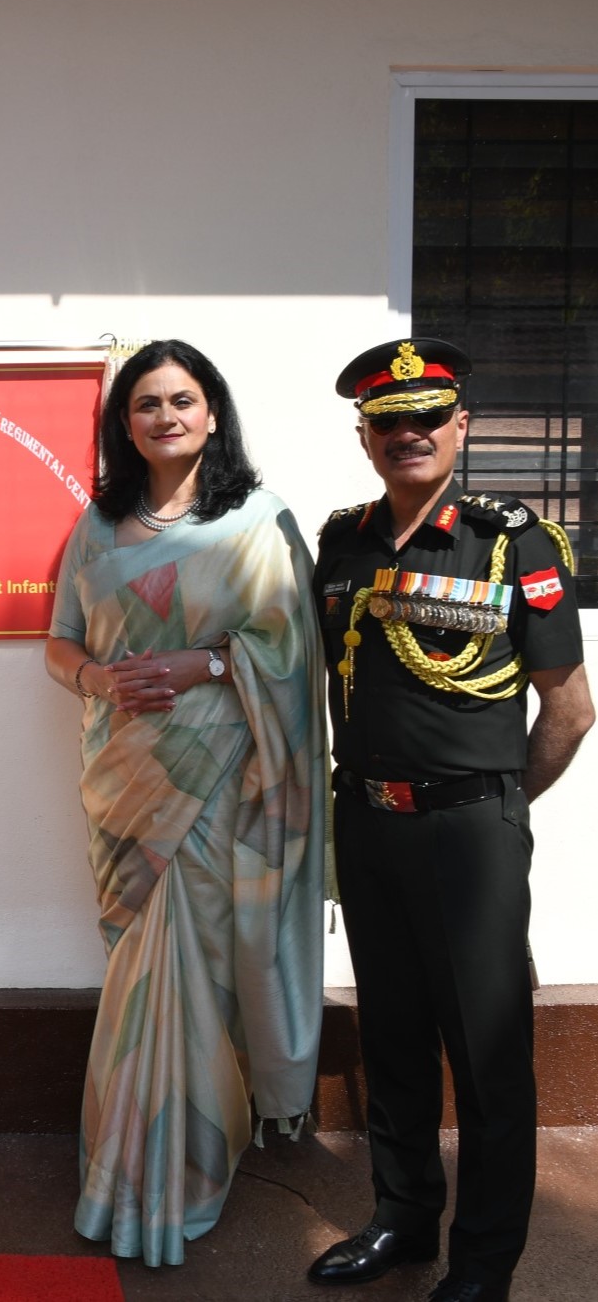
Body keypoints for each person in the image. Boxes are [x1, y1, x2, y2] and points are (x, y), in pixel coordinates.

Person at [306, 339, 591, 1302]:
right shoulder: (340, 540)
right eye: (388, 422)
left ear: (459, 426)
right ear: (363, 437)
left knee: (486, 1055)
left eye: (428, 417)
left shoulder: (512, 540)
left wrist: (497, 806)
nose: (408, 434)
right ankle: (402, 1216)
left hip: (469, 832)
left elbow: (567, 708)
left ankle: (480, 1266)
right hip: (368, 823)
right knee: (390, 1034)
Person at [43, 339, 326, 1267]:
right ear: (122, 422)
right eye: (145, 403)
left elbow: (293, 654)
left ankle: (188, 1169)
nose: (164, 416)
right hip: (126, 784)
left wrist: (203, 662)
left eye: (182, 399)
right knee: (136, 973)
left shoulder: (257, 519)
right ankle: (121, 1167)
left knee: (201, 971)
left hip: (220, 784)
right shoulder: (97, 523)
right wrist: (98, 679)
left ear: (212, 413)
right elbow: (60, 647)